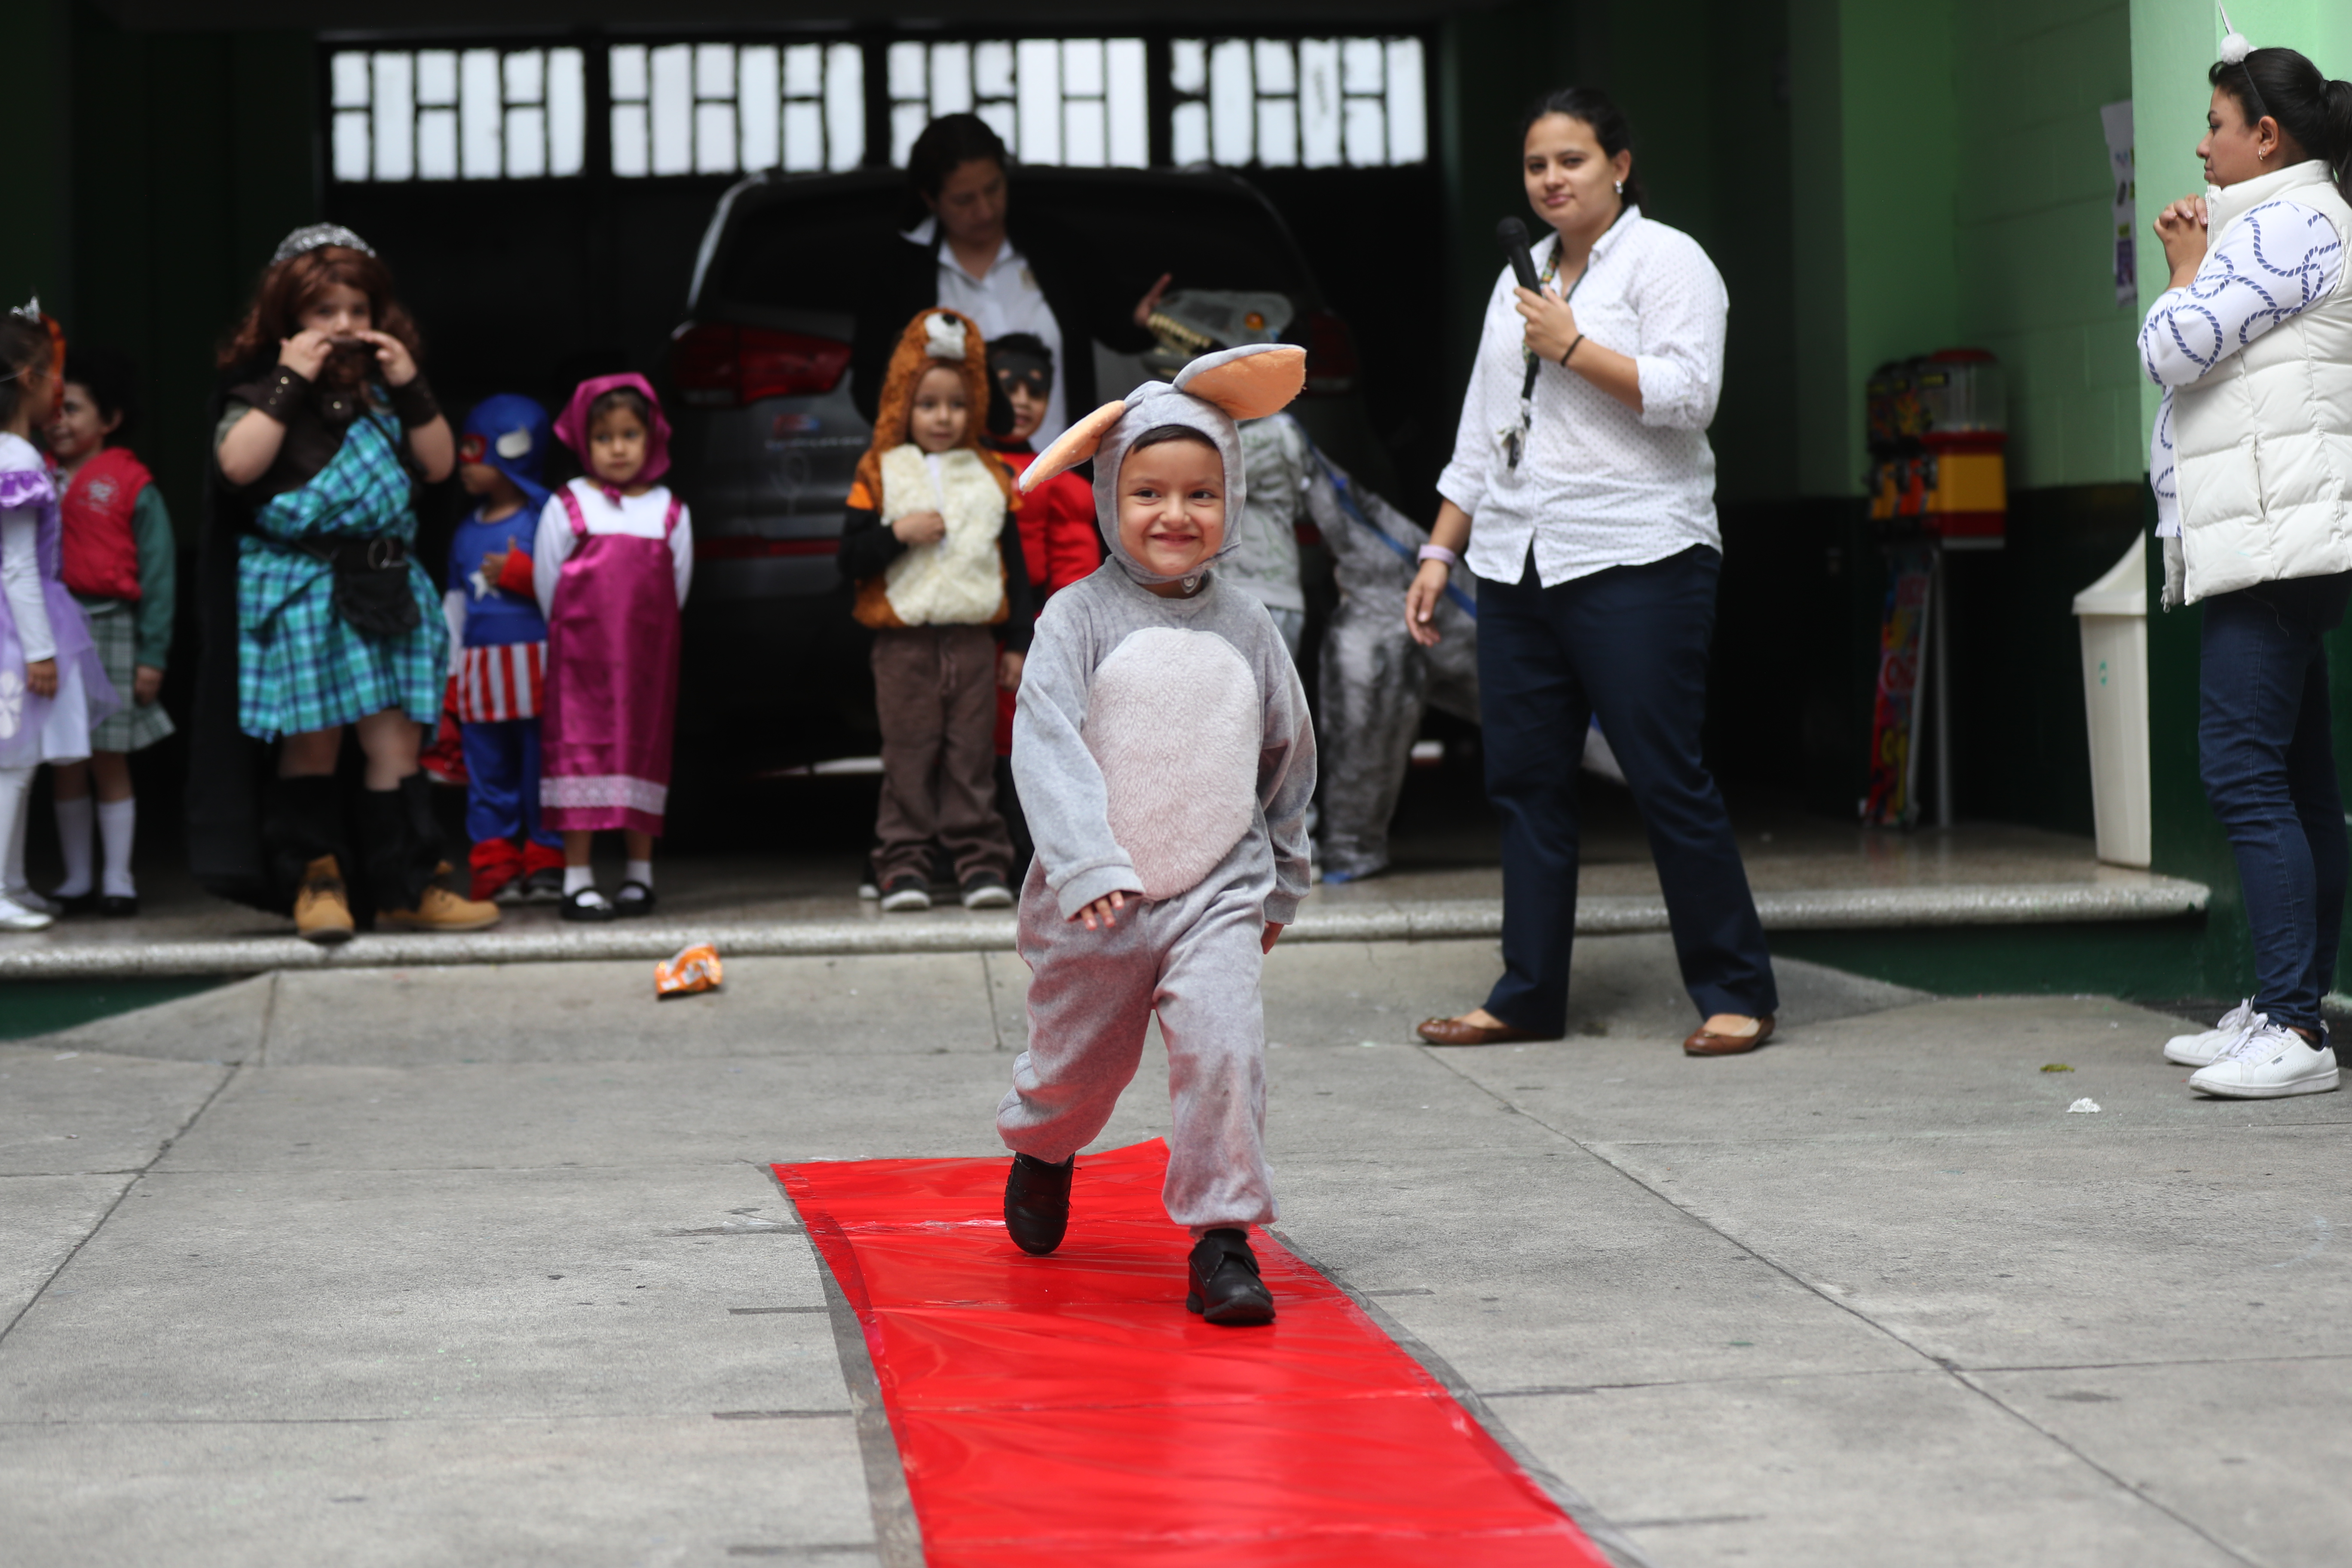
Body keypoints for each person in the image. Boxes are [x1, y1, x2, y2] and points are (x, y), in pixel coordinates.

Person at [1404, 87, 1778, 1057]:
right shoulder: (1515, 277)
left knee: (1664, 774)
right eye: (1537, 166)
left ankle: (1737, 990)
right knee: (1525, 783)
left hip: (1638, 553)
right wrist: (1442, 550)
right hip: (1517, 560)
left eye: (1571, 160)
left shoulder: (1670, 261)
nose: (1552, 180)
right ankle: (1528, 995)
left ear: (1618, 164)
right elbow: (1484, 430)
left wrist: (1574, 346)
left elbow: (1690, 398)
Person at [993, 343, 1316, 1328]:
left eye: (1200, 494)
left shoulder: (1250, 624)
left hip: (1217, 884)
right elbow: (1041, 742)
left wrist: (1283, 879)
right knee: (1075, 1069)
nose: (1174, 515)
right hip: (1095, 903)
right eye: (1147, 492)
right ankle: (1045, 1147)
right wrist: (1086, 861)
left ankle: (1222, 1239)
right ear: (1105, 496)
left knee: (1225, 1046)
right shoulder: (1074, 617)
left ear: (1232, 500)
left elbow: (1286, 750)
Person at [2143, 34, 2352, 1099]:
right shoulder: (2286, 220)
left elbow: (2174, 348)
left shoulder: (2289, 225)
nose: (2197, 144)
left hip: (2272, 540)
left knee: (2240, 774)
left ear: (2263, 137)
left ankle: (2289, 1025)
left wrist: (2181, 273)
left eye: (2215, 126)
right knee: (2299, 780)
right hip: (2276, 534)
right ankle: (2285, 1004)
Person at [188, 225, 496, 943]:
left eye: (358, 309)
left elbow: (441, 466)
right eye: (324, 310)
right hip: (304, 590)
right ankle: (316, 882)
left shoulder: (389, 396)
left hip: (386, 584)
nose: (344, 327)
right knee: (313, 742)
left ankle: (410, 883)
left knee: (396, 743)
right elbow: (236, 467)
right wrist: (289, 381)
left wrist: (410, 382)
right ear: (287, 317)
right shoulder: (258, 393)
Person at [836, 309, 1030, 913]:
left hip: (973, 641)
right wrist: (898, 532)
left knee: (971, 755)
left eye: (955, 404)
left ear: (975, 405)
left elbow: (1015, 569)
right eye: (928, 405)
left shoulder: (993, 475)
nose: (942, 417)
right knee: (909, 755)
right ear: (903, 405)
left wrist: (1019, 642)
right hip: (903, 644)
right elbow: (849, 558)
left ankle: (979, 863)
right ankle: (902, 864)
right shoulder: (879, 471)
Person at [850, 113, 1165, 451]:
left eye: (993, 189)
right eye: (964, 200)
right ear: (930, 199)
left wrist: (1142, 319)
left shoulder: (1055, 247)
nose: (985, 211)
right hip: (955, 484)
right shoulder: (901, 273)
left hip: (1063, 470)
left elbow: (1112, 323)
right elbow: (872, 384)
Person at [532, 374, 692, 922]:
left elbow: (679, 587)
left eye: (630, 434)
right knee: (579, 756)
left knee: (641, 753)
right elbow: (548, 585)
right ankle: (577, 878)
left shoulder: (671, 510)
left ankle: (638, 874)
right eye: (604, 438)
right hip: (580, 666)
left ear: (652, 437)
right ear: (582, 440)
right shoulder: (568, 505)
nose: (619, 448)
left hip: (647, 666)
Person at [43, 346, 173, 916]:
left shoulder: (131, 483)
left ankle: (118, 879)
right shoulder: (31, 474)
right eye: (52, 409)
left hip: (112, 629)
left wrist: (153, 656)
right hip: (50, 636)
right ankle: (76, 880)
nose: (59, 421)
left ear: (110, 420)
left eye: (72, 409)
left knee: (109, 755)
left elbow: (161, 573)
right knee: (65, 759)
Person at [0, 305, 116, 931]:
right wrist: (40, 651)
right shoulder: (15, 457)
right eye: (55, 376)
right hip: (16, 631)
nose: (61, 390)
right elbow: (17, 566)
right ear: (27, 378)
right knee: (11, 763)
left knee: (15, 759)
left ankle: (13, 882)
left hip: (20, 623)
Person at [983, 331, 1099, 862]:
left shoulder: (1054, 482)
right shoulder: (963, 472)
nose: (1023, 401)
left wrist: (1051, 642)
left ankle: (1022, 855)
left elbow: (1073, 571)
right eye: (1008, 387)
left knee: (1021, 740)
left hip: (1027, 637)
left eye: (1036, 389)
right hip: (964, 633)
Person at [444, 394, 563, 905]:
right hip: (478, 674)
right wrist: (449, 675)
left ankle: (547, 858)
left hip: (541, 669)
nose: (464, 466)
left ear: (510, 452)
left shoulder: (547, 521)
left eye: (474, 451)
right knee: (487, 772)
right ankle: (494, 863)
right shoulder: (464, 532)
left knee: (544, 768)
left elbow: (572, 591)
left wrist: (521, 576)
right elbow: (454, 605)